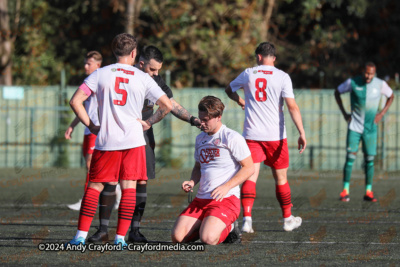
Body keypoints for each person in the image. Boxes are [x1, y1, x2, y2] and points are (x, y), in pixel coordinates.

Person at [87, 45, 201, 243]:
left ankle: (135, 230)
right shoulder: (124, 75)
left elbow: (170, 104)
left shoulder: (153, 80)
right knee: (109, 181)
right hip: (115, 136)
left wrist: (192, 119)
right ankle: (103, 230)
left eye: (158, 70)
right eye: (152, 69)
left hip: (142, 139)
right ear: (141, 63)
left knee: (141, 181)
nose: (156, 74)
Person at [67, 33, 173, 246]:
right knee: (129, 188)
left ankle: (79, 236)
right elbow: (167, 106)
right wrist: (149, 122)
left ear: (114, 52)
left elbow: (75, 101)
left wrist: (91, 125)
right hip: (134, 142)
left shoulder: (100, 74)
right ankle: (120, 239)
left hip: (106, 141)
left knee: (94, 187)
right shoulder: (142, 77)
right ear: (134, 53)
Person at [225, 42, 306, 233]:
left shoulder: (248, 74)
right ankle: (287, 219)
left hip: (252, 135)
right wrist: (302, 132)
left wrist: (240, 101)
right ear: (274, 58)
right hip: (276, 137)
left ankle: (247, 220)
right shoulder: (282, 76)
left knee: (250, 176)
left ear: (258, 57)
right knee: (281, 178)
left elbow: (229, 89)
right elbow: (292, 107)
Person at [171, 96, 254, 245]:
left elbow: (249, 168)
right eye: (200, 119)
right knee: (177, 237)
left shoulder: (231, 137)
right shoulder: (200, 139)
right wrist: (192, 181)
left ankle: (229, 228)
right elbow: (198, 167)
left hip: (226, 200)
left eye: (206, 120)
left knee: (208, 239)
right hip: (201, 200)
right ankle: (207, 224)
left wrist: (226, 186)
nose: (201, 123)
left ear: (218, 117)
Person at [65, 51, 122, 212]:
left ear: (98, 65)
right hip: (87, 128)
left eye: (88, 63)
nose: (85, 66)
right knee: (90, 166)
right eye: (85, 62)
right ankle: (116, 191)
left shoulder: (100, 80)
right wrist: (72, 125)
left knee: (92, 166)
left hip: (96, 129)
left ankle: (87, 199)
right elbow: (81, 107)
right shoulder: (89, 81)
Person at [335, 62, 394, 202]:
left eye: (371, 74)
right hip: (354, 127)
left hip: (370, 129)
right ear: (363, 71)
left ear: (375, 73)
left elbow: (391, 96)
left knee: (370, 160)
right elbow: (337, 92)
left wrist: (381, 113)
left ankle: (368, 191)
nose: (369, 76)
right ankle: (345, 190)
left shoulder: (380, 84)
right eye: (367, 73)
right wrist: (344, 113)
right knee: (350, 158)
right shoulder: (352, 82)